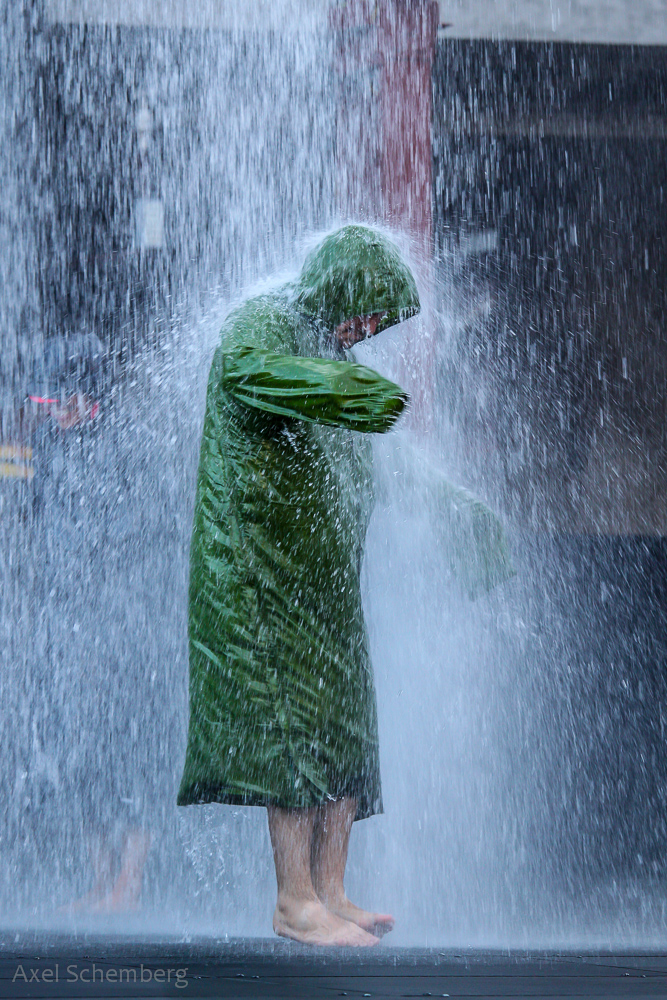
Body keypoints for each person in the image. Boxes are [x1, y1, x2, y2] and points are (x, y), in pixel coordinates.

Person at [177, 225, 512, 946]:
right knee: (292, 728)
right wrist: (346, 387)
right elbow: (244, 370)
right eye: (364, 309)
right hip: (258, 578)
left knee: (344, 726)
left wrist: (462, 513)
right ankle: (293, 902)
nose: (366, 329)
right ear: (337, 281)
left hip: (321, 585)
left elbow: (392, 466)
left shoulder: (335, 353)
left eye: (378, 322)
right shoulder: (266, 320)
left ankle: (331, 889)